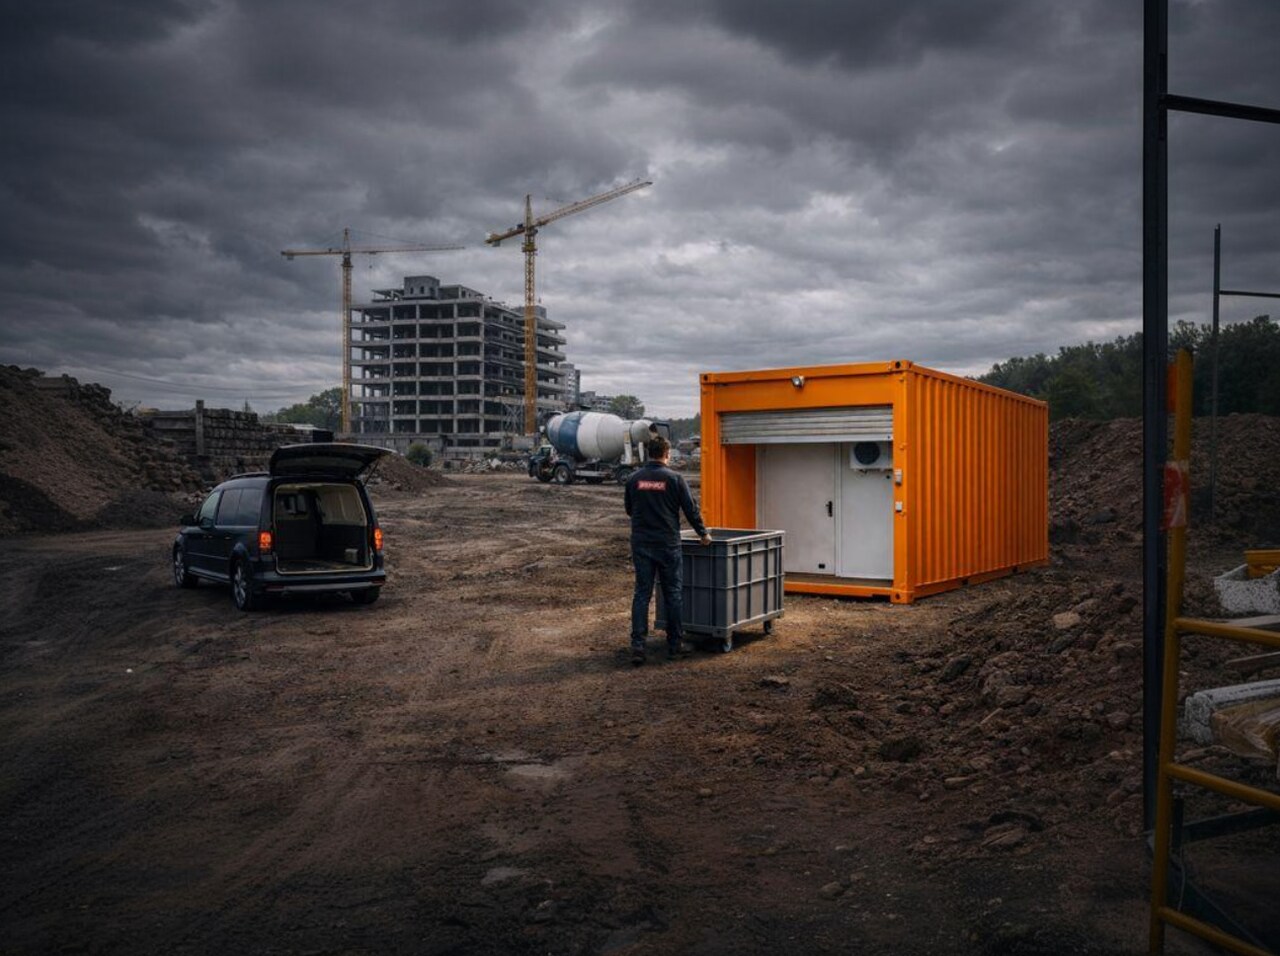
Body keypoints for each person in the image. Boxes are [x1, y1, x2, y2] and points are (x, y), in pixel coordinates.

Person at [624, 433, 711, 666]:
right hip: (667, 544)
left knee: (642, 593)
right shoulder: (674, 479)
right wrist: (703, 533)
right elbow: (690, 510)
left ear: (649, 453)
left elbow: (629, 509)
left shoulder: (634, 479)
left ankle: (638, 646)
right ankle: (674, 646)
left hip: (641, 543)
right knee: (673, 593)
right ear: (667, 454)